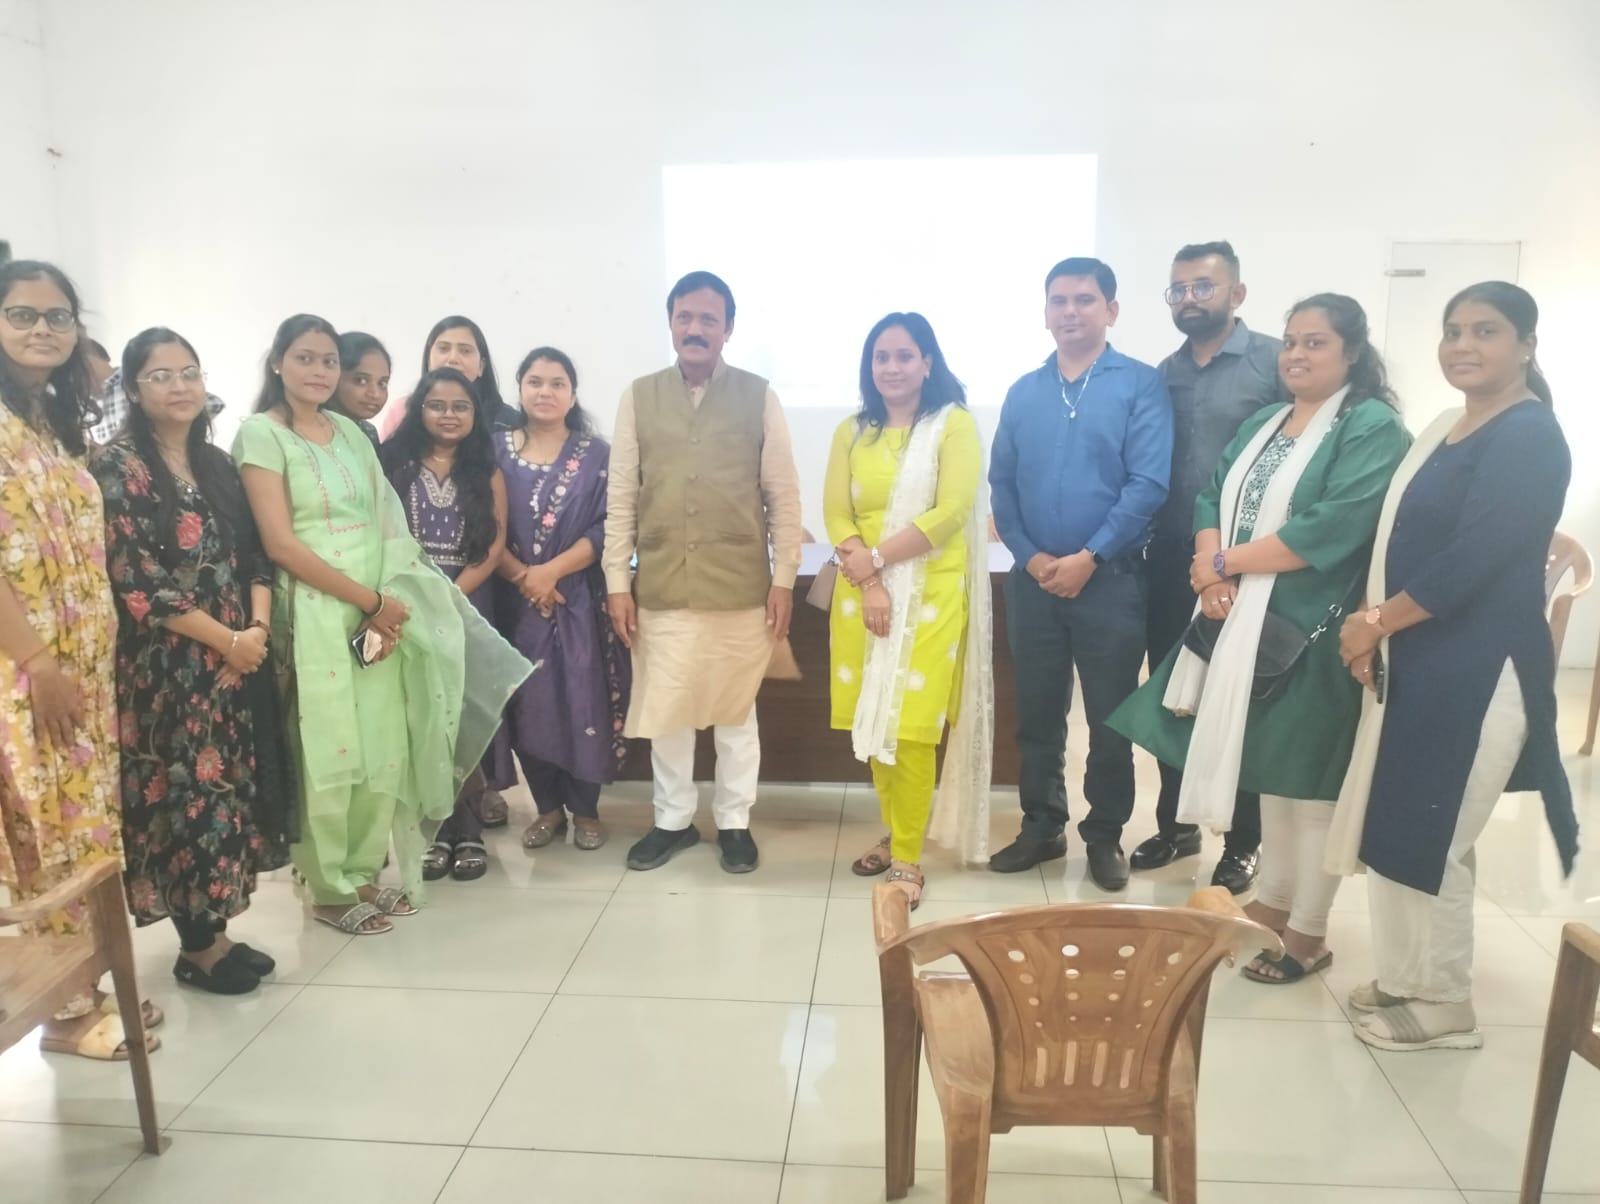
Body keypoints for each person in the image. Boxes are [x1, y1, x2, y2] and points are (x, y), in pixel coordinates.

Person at [1110, 293, 1410, 980]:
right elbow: (1210, 494)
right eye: (1291, 342)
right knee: (1273, 775)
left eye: (1316, 343)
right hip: (1244, 618)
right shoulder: (1267, 421)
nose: (1297, 355)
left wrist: (1222, 564)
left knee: (1313, 786)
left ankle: (1309, 932)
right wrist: (1209, 571)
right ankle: (1272, 904)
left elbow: (1332, 526)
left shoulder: (1371, 427)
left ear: (1352, 353)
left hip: (1316, 629)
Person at [1330, 282, 1578, 1051]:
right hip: (1424, 654)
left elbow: (1475, 559)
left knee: (1437, 829)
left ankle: (1445, 1003)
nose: (1463, 344)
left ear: (1527, 345)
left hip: (1482, 666)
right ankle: (1406, 976)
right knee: (1403, 821)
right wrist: (1379, 631)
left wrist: (1373, 623)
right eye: (1453, 330)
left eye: (1486, 330)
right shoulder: (1451, 428)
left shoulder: (1529, 436)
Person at [234, 314, 528, 935]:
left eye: (328, 362)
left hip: (379, 607)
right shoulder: (260, 435)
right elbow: (279, 543)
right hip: (316, 609)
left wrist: (392, 599)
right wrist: (367, 600)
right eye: (306, 359)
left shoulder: (349, 431)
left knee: (381, 744)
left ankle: (364, 872)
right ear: (278, 362)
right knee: (328, 748)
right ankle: (328, 885)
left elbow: (387, 522)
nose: (319, 372)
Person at [93, 328, 294, 995]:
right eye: (161, 375)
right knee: (184, 800)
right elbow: (138, 580)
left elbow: (254, 555)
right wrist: (225, 640)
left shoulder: (216, 463)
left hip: (235, 658)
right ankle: (197, 948)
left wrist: (254, 631)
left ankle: (216, 934)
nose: (180, 386)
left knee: (226, 795)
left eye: (189, 372)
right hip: (169, 670)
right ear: (132, 390)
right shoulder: (119, 466)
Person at [604, 271, 803, 873]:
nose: (695, 329)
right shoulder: (639, 396)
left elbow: (783, 495)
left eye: (708, 319)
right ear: (670, 323)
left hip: (740, 587)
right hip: (662, 582)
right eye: (684, 317)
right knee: (669, 710)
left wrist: (784, 578)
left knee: (735, 712)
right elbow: (621, 496)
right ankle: (673, 820)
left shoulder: (759, 395)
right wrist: (617, 583)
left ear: (728, 328)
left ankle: (735, 821)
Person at [987, 256, 1173, 891]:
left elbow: (1148, 483)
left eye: (1084, 300)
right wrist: (1033, 557)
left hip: (1110, 581)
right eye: (1059, 301)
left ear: (1110, 310)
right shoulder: (1024, 392)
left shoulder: (1139, 385)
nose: (1070, 311)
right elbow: (1002, 485)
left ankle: (1104, 835)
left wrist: (1090, 556)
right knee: (1037, 715)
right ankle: (1042, 826)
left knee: (1109, 718)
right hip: (1034, 582)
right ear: (1045, 313)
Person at [0, 260, 139, 1059]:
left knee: (85, 827)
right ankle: (63, 1009)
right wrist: (38, 663)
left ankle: (91, 980)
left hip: (81, 663)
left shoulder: (49, 421)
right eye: (22, 315)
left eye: (57, 316)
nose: (42, 329)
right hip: (28, 670)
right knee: (45, 829)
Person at [1131, 241, 1287, 895]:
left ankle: (1244, 842)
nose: (1189, 299)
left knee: (1241, 699)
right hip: (1171, 558)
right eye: (1179, 289)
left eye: (1203, 286)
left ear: (1237, 294)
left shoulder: (1273, 363)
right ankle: (1177, 826)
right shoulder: (1162, 374)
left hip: (1250, 564)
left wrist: (1230, 559)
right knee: (1175, 693)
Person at [827, 313, 991, 908]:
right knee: (874, 724)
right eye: (881, 357)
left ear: (927, 363)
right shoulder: (852, 431)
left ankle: (906, 859)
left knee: (912, 728)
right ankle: (898, 832)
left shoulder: (953, 425)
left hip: (929, 596)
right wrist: (870, 578)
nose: (891, 367)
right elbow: (836, 513)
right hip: (861, 596)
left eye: (904, 355)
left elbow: (951, 512)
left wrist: (875, 560)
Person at [497, 347, 630, 851]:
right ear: (520, 388)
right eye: (535, 381)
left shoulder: (597, 455)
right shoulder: (493, 450)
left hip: (577, 599)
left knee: (582, 700)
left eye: (557, 383)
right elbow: (483, 524)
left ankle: (586, 811)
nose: (545, 392)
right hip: (514, 601)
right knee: (529, 705)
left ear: (572, 394)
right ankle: (548, 809)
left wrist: (550, 572)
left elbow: (609, 525)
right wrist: (524, 577)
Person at [381, 367, 508, 882]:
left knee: (460, 719)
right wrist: (415, 599)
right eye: (437, 405)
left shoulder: (485, 470)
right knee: (418, 722)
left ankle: (469, 829)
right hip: (406, 611)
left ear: (475, 414)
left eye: (461, 406)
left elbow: (494, 546)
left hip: (464, 609)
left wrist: (451, 597)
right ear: (419, 410)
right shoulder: (393, 465)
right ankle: (432, 832)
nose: (449, 415)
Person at [372, 314, 519, 441]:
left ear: (481, 366)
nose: (453, 359)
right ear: (428, 360)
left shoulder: (507, 423)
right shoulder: (402, 411)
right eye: (443, 349)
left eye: (465, 351)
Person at [330, 331, 391, 448]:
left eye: (382, 383)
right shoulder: (308, 430)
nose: (375, 394)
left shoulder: (368, 432)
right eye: (361, 381)